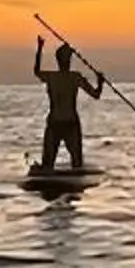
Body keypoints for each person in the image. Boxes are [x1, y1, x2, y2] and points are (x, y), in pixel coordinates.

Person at [32, 37, 103, 172]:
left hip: (63, 123)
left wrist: (40, 48)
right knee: (74, 164)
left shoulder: (57, 77)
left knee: (59, 164)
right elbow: (96, 94)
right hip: (62, 123)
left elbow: (36, 71)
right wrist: (100, 82)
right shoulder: (73, 77)